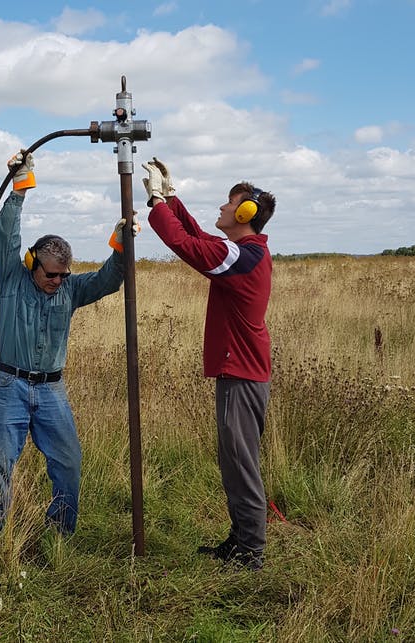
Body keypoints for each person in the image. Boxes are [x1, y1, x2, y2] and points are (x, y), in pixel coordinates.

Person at [0, 150, 132, 537]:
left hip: (52, 389)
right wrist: (20, 188)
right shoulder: (12, 279)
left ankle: (60, 532)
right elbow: (4, 236)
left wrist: (120, 245)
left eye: (64, 275)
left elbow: (107, 280)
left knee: (68, 462)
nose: (59, 281)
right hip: (8, 386)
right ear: (33, 264)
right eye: (52, 274)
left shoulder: (71, 289)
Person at [143, 158, 275, 570]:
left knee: (241, 465)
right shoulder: (243, 253)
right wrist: (171, 197)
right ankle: (240, 542)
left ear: (245, 213)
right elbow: (200, 236)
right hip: (239, 373)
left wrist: (155, 199)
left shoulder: (245, 257)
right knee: (234, 462)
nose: (220, 208)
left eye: (227, 203)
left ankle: (251, 554)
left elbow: (189, 247)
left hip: (243, 377)